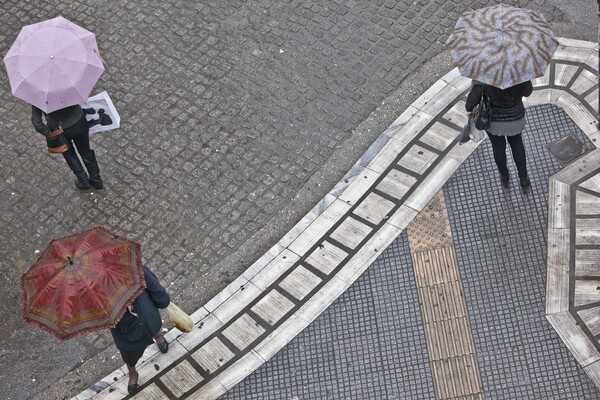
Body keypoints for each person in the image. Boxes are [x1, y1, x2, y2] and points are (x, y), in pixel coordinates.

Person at [110, 266, 170, 395]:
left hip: (145, 312)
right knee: (129, 356)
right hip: (124, 329)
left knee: (155, 327)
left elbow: (151, 282)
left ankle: (158, 337)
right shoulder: (91, 290)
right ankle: (133, 373)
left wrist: (162, 299)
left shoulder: (128, 264)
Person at [465, 80, 533, 190]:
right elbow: (528, 92)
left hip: (494, 122)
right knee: (517, 144)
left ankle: (505, 176)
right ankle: (524, 179)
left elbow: (469, 106)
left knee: (498, 148)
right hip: (516, 119)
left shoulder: (484, 77)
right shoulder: (518, 72)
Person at [31, 104, 103, 190]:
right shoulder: (66, 90)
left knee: (69, 155)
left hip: (60, 130)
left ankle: (84, 182)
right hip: (79, 122)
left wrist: (50, 133)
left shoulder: (40, 96)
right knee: (86, 151)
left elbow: (37, 124)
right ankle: (97, 180)